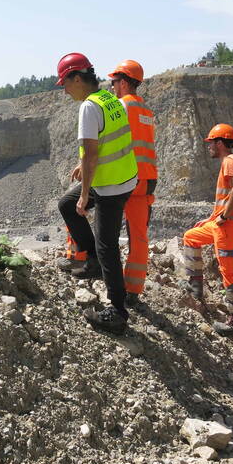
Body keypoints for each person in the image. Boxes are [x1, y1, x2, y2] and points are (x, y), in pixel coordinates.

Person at [55, 52, 139, 334]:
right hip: (122, 176)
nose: (64, 90)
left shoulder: (89, 107)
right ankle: (91, 259)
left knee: (108, 245)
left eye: (65, 83)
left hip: (111, 185)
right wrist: (83, 169)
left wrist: (85, 194)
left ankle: (117, 311)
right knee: (66, 204)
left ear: (77, 78)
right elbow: (103, 143)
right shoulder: (110, 99)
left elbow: (91, 152)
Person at [181, 124, 233, 337]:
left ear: (220, 143)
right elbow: (226, 197)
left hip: (228, 226)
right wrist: (211, 218)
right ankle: (196, 287)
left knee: (230, 272)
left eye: (211, 143)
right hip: (222, 224)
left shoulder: (230, 160)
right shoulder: (229, 161)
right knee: (191, 237)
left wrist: (224, 216)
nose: (209, 146)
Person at [105, 60, 158, 308]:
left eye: (114, 82)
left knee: (103, 228)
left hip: (124, 178)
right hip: (146, 181)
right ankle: (133, 290)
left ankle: (83, 259)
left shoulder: (120, 106)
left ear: (124, 82)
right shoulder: (146, 112)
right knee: (139, 238)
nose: (112, 86)